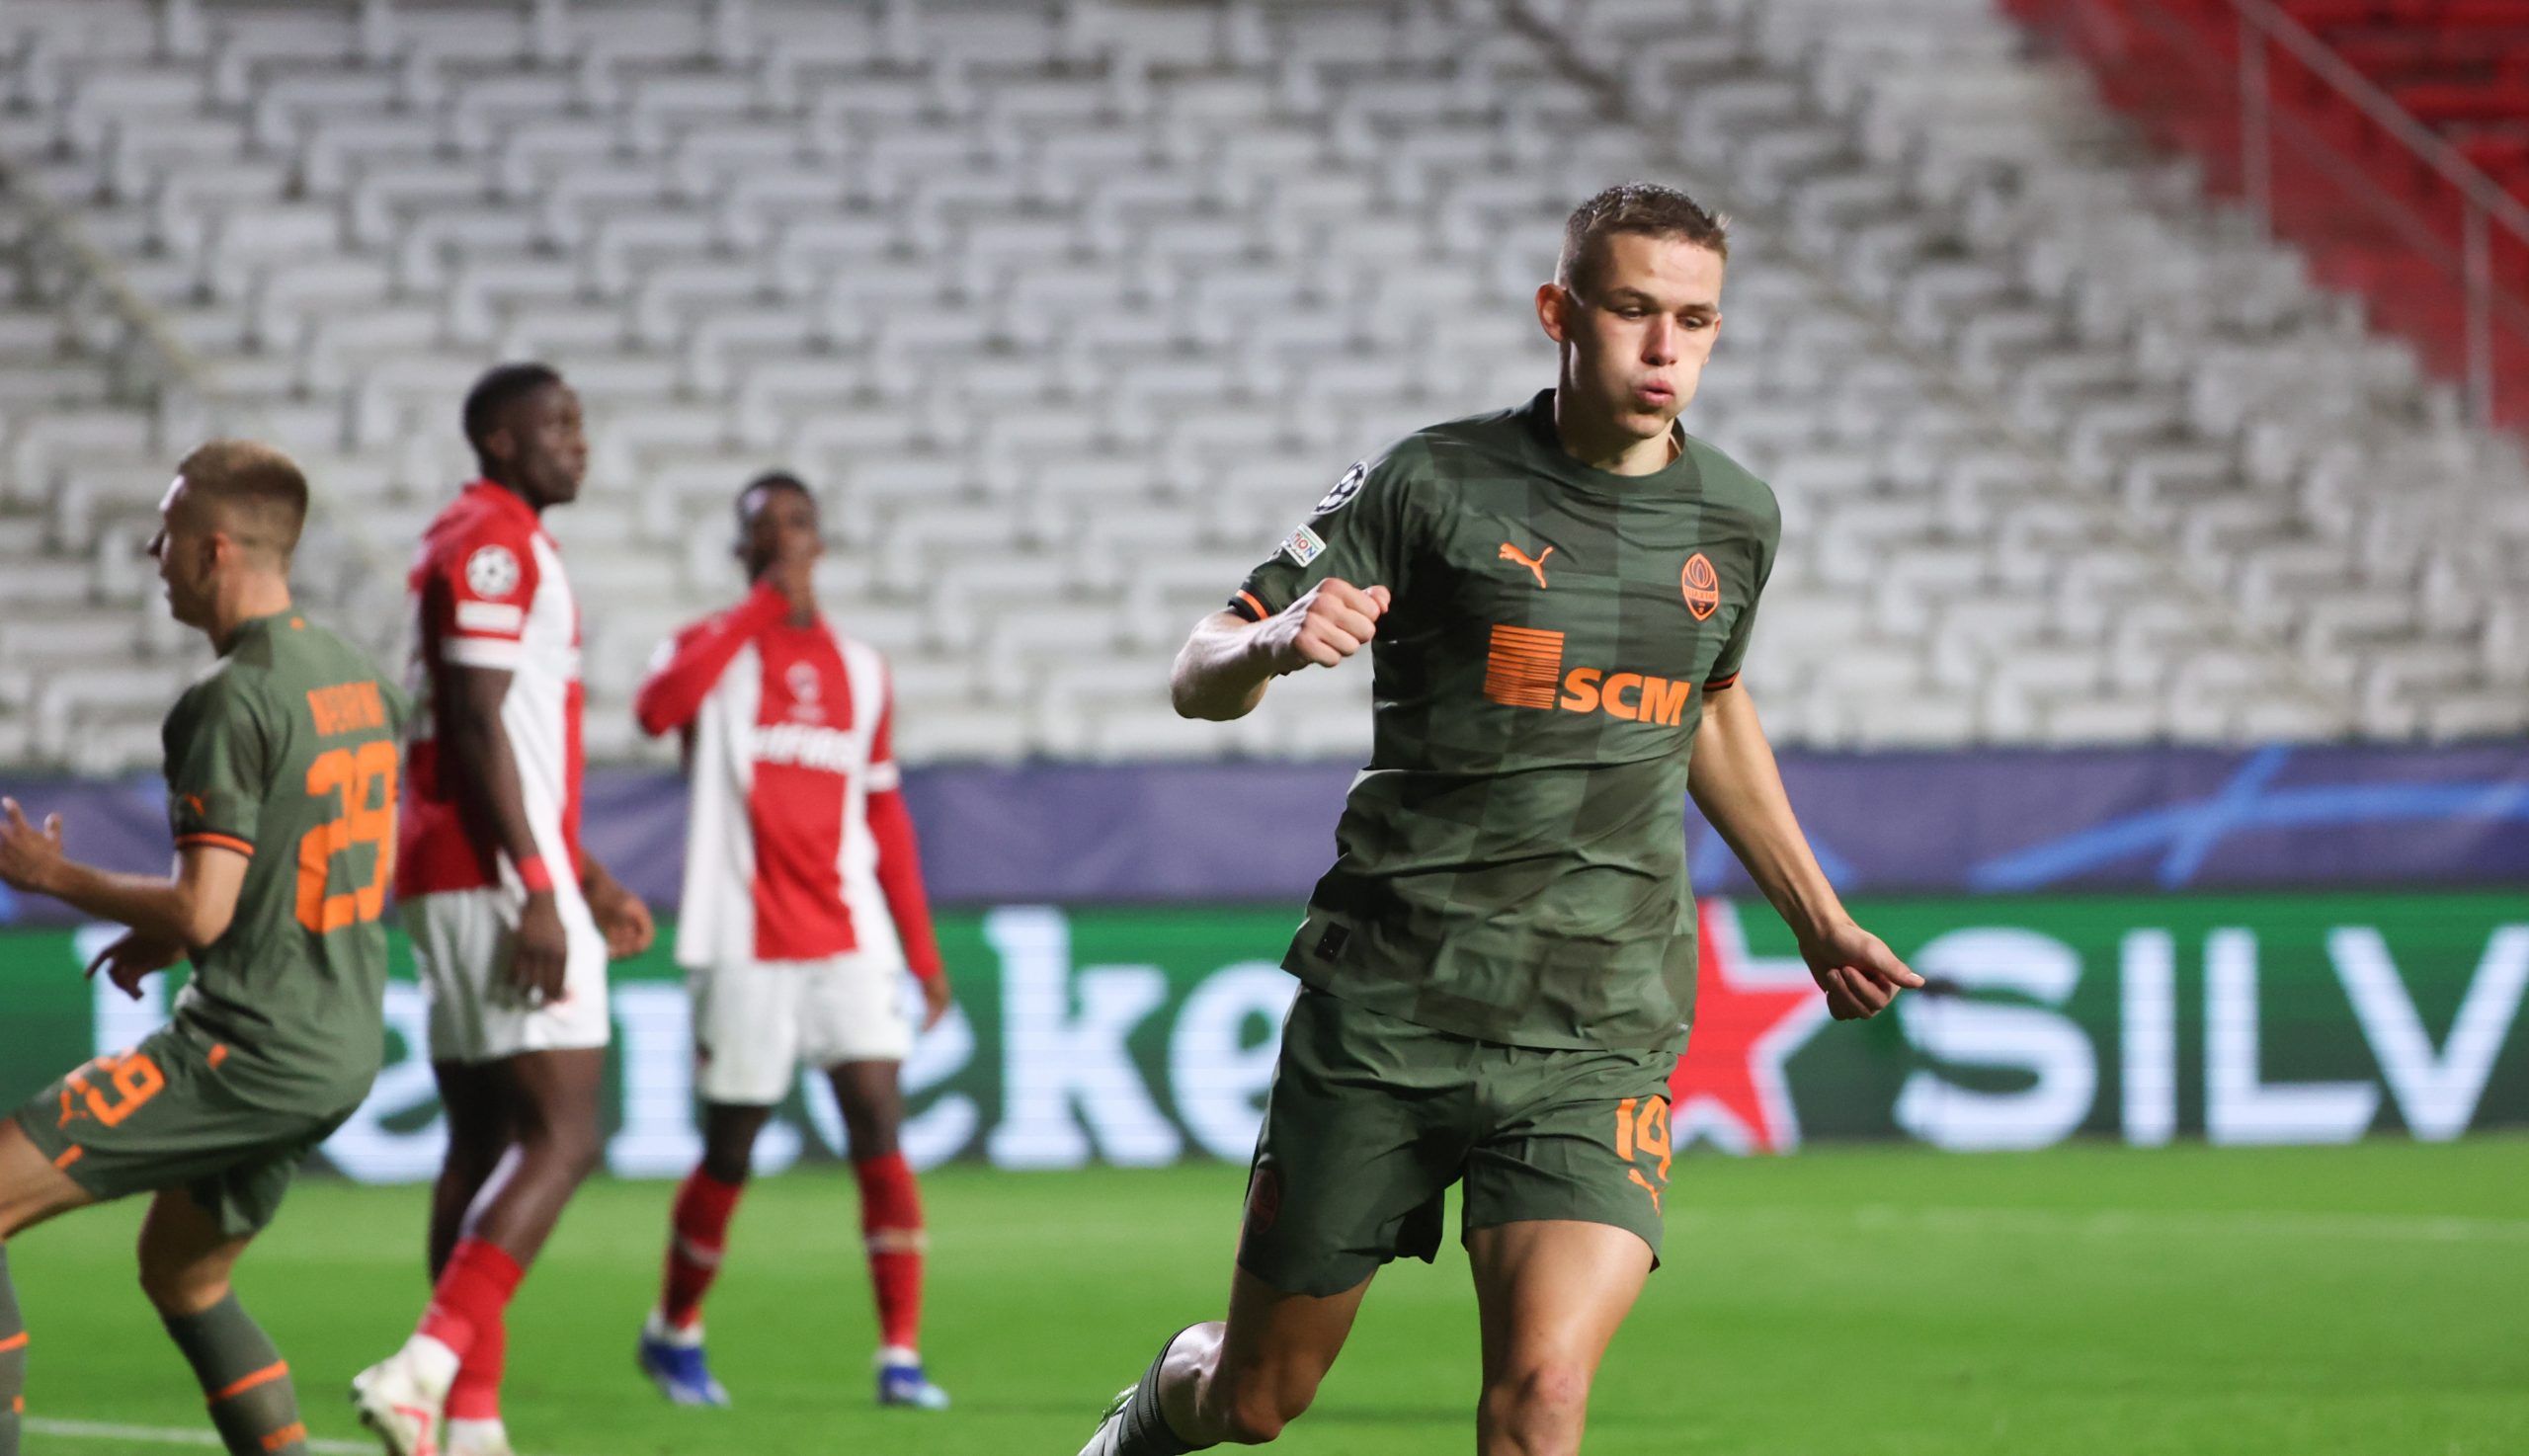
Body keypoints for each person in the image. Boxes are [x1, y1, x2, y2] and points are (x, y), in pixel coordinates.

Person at [1078, 183, 1926, 1456]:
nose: (1664, 348)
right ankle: (1145, 1419)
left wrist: (1817, 917)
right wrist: (1271, 640)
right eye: (1632, 310)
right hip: (1391, 1009)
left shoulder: (1735, 517)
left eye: (1695, 320)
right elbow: (1196, 669)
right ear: (1558, 313)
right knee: (1255, 1397)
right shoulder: (1432, 481)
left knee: (1543, 1399)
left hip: (1598, 1023)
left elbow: (1707, 701)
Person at [0, 441, 405, 1456]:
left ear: (214, 550)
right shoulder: (358, 678)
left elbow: (202, 911)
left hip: (250, 1048)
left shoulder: (228, 701)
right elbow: (311, 860)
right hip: (341, 1043)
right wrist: (168, 927)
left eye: (167, 531)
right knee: (186, 1275)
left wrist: (54, 876)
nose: (154, 550)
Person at [352, 363, 654, 1456]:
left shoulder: (477, 538)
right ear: (497, 437)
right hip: (491, 874)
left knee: (482, 1142)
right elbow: (478, 725)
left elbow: (492, 733)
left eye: (580, 422)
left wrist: (588, 877)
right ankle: (423, 1369)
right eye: (556, 424)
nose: (579, 441)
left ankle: (470, 1422)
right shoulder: (495, 542)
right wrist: (539, 885)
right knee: (564, 1135)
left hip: (458, 867)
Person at [628, 471, 955, 1411]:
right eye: (762, 527)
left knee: (878, 1123)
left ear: (821, 541)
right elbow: (654, 711)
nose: (782, 538)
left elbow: (884, 818)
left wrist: (922, 954)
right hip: (742, 936)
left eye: (797, 523)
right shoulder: (709, 650)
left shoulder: (862, 669)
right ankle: (675, 1330)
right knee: (732, 1145)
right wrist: (759, 610)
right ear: (742, 551)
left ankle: (900, 1355)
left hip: (848, 935)